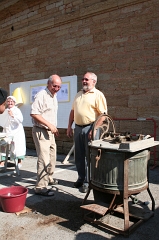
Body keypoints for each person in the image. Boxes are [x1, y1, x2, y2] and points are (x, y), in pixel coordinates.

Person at [67, 72, 107, 193]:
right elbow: (73, 111)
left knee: (91, 156)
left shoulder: (98, 95)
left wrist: (94, 129)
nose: (84, 81)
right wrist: (69, 126)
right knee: (79, 155)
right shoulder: (78, 94)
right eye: (83, 79)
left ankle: (89, 181)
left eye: (86, 79)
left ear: (94, 82)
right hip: (78, 128)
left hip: (91, 128)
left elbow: (103, 115)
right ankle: (81, 178)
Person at [30, 74, 62, 196]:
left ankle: (49, 178)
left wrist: (53, 127)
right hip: (41, 130)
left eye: (59, 86)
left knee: (52, 157)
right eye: (54, 86)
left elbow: (49, 114)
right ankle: (40, 187)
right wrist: (49, 125)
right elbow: (34, 113)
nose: (57, 88)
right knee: (44, 159)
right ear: (48, 84)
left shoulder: (54, 96)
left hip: (50, 131)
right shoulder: (41, 95)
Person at [0, 96, 26, 168]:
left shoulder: (17, 110)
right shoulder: (5, 110)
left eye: (11, 101)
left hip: (16, 131)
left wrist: (12, 115)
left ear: (14, 103)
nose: (10, 103)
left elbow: (20, 120)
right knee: (4, 146)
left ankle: (19, 162)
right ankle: (2, 162)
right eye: (8, 101)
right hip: (7, 130)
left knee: (17, 146)